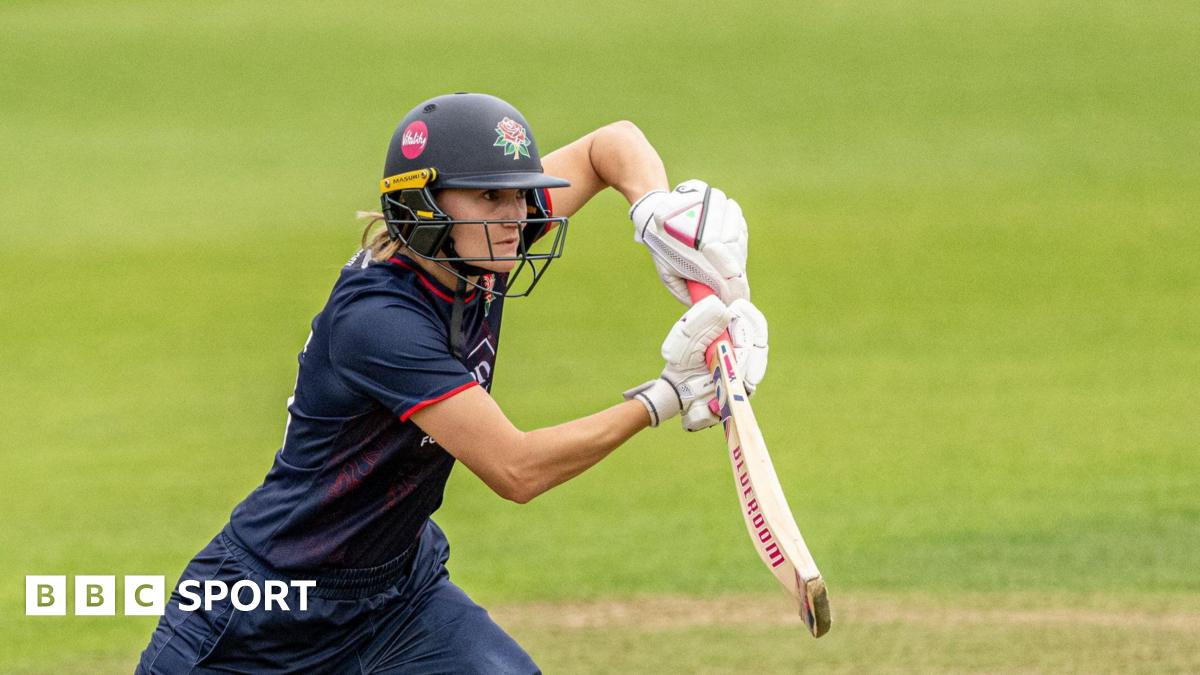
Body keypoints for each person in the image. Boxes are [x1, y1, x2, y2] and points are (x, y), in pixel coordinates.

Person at [135, 92, 768, 673]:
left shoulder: (477, 247)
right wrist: (667, 396)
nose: (519, 218)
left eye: (521, 196)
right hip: (263, 621)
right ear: (423, 206)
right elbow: (516, 470)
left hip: (398, 597)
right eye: (492, 197)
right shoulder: (380, 321)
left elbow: (612, 144)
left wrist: (653, 210)